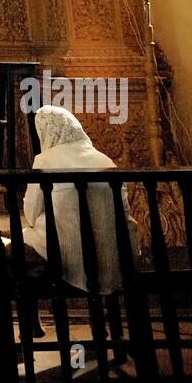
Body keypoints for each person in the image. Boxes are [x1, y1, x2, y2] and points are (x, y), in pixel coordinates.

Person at [22, 106, 135, 294]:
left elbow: (31, 213)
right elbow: (124, 210)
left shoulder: (45, 160)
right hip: (112, 249)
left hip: (67, 251)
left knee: (23, 240)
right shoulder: (105, 160)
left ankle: (33, 321)